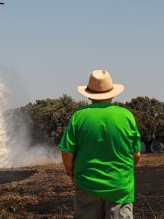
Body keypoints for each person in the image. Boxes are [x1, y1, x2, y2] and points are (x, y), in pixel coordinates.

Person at [59, 70, 141, 218]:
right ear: (112, 93)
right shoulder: (126, 116)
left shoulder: (78, 117)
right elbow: (136, 155)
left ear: (89, 94)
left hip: (86, 185)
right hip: (120, 188)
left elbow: (66, 152)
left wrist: (71, 173)